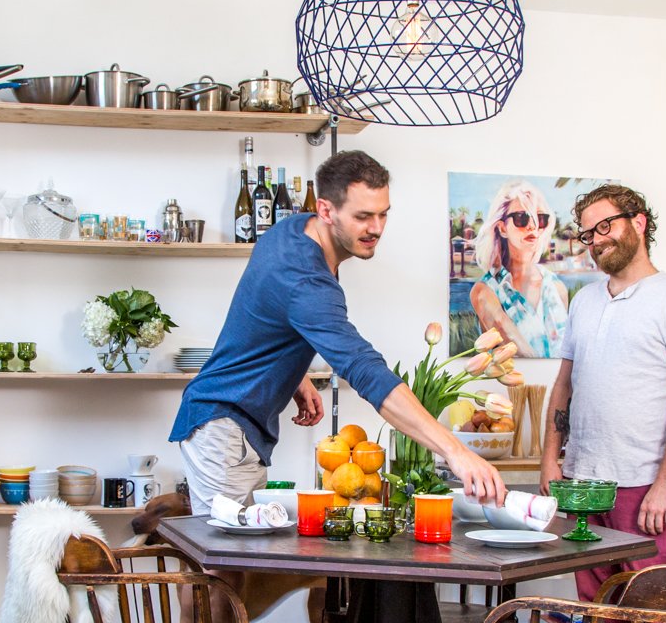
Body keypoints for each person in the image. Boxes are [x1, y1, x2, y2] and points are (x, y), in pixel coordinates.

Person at [172, 150, 507, 509]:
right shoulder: (306, 280)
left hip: (232, 425)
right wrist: (456, 452)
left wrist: (293, 372)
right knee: (227, 560)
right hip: (222, 426)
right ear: (326, 210)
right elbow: (366, 371)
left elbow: (263, 311)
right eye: (363, 216)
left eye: (382, 214)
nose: (376, 228)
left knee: (244, 552)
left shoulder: (292, 231)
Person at [540, 183, 666, 623]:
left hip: (642, 486)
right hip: (582, 484)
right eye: (587, 233)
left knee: (656, 617)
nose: (595, 240)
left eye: (605, 226)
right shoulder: (585, 302)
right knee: (599, 614)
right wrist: (551, 460)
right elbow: (564, 387)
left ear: (638, 222)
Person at [468, 178, 570, 358]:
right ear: (502, 228)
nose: (533, 226)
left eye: (541, 219)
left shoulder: (557, 288)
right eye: (521, 218)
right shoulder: (485, 292)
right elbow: (520, 351)